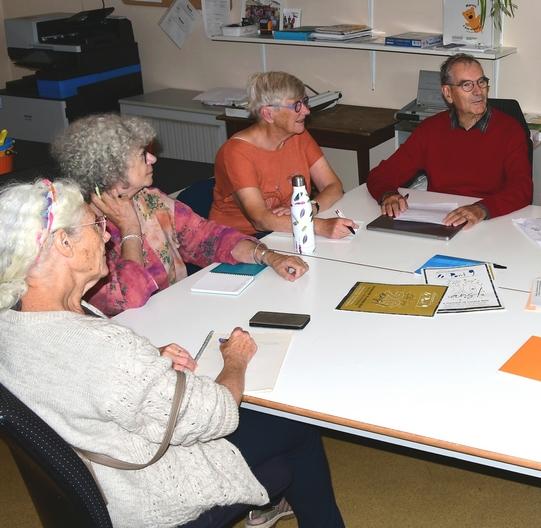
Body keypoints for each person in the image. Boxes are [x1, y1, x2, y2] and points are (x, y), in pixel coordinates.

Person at [0, 180, 344, 527]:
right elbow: (216, 412)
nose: (106, 237)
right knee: (296, 424)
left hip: (103, 467)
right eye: (97, 225)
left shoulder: (13, 325)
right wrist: (236, 359)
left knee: (278, 458)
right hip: (148, 490)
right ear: (63, 243)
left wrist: (148, 362)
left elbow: (85, 375)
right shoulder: (100, 346)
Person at [51, 113, 310, 317]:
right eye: (142, 155)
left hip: (179, 315)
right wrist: (131, 229)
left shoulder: (150, 199)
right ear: (111, 170)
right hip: (132, 341)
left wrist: (268, 256)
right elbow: (128, 301)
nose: (152, 158)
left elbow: (208, 238)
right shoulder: (80, 231)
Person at [366, 53, 533, 229]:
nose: (478, 92)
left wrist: (481, 209)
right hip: (440, 220)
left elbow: (522, 188)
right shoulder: (431, 129)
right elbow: (383, 173)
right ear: (448, 93)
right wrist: (388, 194)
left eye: (481, 82)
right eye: (467, 85)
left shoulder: (510, 130)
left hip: (490, 221)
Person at [210, 71, 356, 238]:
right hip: (238, 239)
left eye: (305, 102)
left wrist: (309, 208)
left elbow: (334, 186)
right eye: (296, 106)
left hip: (285, 230)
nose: (307, 111)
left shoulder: (298, 135)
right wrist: (320, 226)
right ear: (268, 114)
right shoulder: (236, 153)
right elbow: (260, 220)